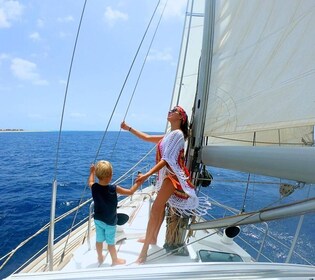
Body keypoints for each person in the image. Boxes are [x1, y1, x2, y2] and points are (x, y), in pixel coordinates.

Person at [120, 105, 200, 264]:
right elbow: (147, 138)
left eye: (174, 111)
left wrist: (148, 174)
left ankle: (143, 253)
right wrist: (128, 128)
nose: (170, 112)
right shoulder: (170, 135)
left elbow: (168, 159)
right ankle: (152, 238)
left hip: (173, 177)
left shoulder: (178, 134)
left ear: (181, 118)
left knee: (156, 209)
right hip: (167, 176)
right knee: (159, 209)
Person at [88, 160, 141, 266]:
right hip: (110, 222)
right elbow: (130, 192)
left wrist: (92, 172)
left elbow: (90, 181)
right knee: (110, 242)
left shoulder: (94, 187)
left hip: (98, 219)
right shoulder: (114, 188)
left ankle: (99, 256)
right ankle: (114, 260)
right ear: (111, 175)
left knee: (99, 240)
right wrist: (138, 183)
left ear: (98, 175)